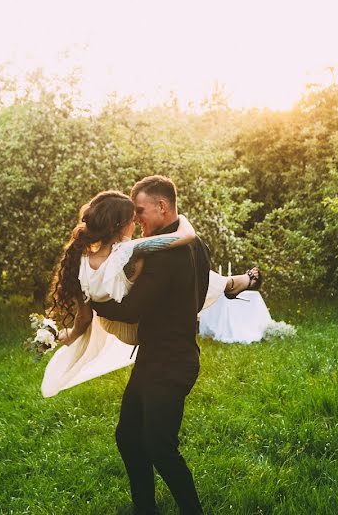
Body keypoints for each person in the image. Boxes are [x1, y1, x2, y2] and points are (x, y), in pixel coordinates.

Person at [41, 190, 260, 398]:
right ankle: (233, 283)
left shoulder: (79, 261)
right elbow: (187, 235)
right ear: (121, 225)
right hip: (138, 326)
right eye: (132, 219)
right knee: (178, 265)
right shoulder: (128, 251)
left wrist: (64, 336)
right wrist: (181, 216)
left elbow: (84, 318)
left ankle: (232, 283)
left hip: (113, 325)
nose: (136, 223)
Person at [90, 175, 211, 515]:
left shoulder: (163, 252)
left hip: (171, 362)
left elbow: (130, 310)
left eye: (140, 211)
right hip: (156, 357)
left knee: (159, 446)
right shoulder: (193, 242)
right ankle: (145, 508)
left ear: (162, 206)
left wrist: (90, 300)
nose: (135, 219)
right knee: (129, 438)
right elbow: (200, 291)